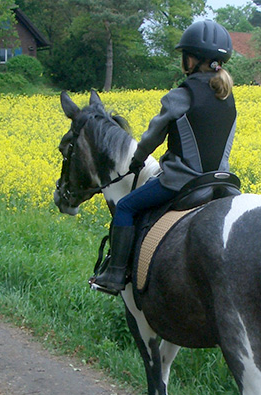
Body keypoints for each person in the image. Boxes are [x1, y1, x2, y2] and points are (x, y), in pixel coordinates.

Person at [90, 20, 237, 295]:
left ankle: (115, 274)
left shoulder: (180, 96)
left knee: (125, 208)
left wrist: (138, 159)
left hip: (182, 182)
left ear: (190, 59)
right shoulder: (227, 96)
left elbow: (152, 137)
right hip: (220, 181)